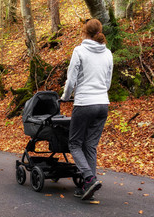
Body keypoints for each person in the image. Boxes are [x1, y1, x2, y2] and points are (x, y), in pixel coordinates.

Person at [61, 19, 113, 200]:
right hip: (102, 104)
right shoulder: (108, 53)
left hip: (84, 103)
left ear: (85, 32)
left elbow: (71, 80)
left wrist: (65, 98)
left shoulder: (79, 51)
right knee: (90, 145)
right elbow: (107, 83)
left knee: (74, 144)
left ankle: (89, 179)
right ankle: (88, 185)